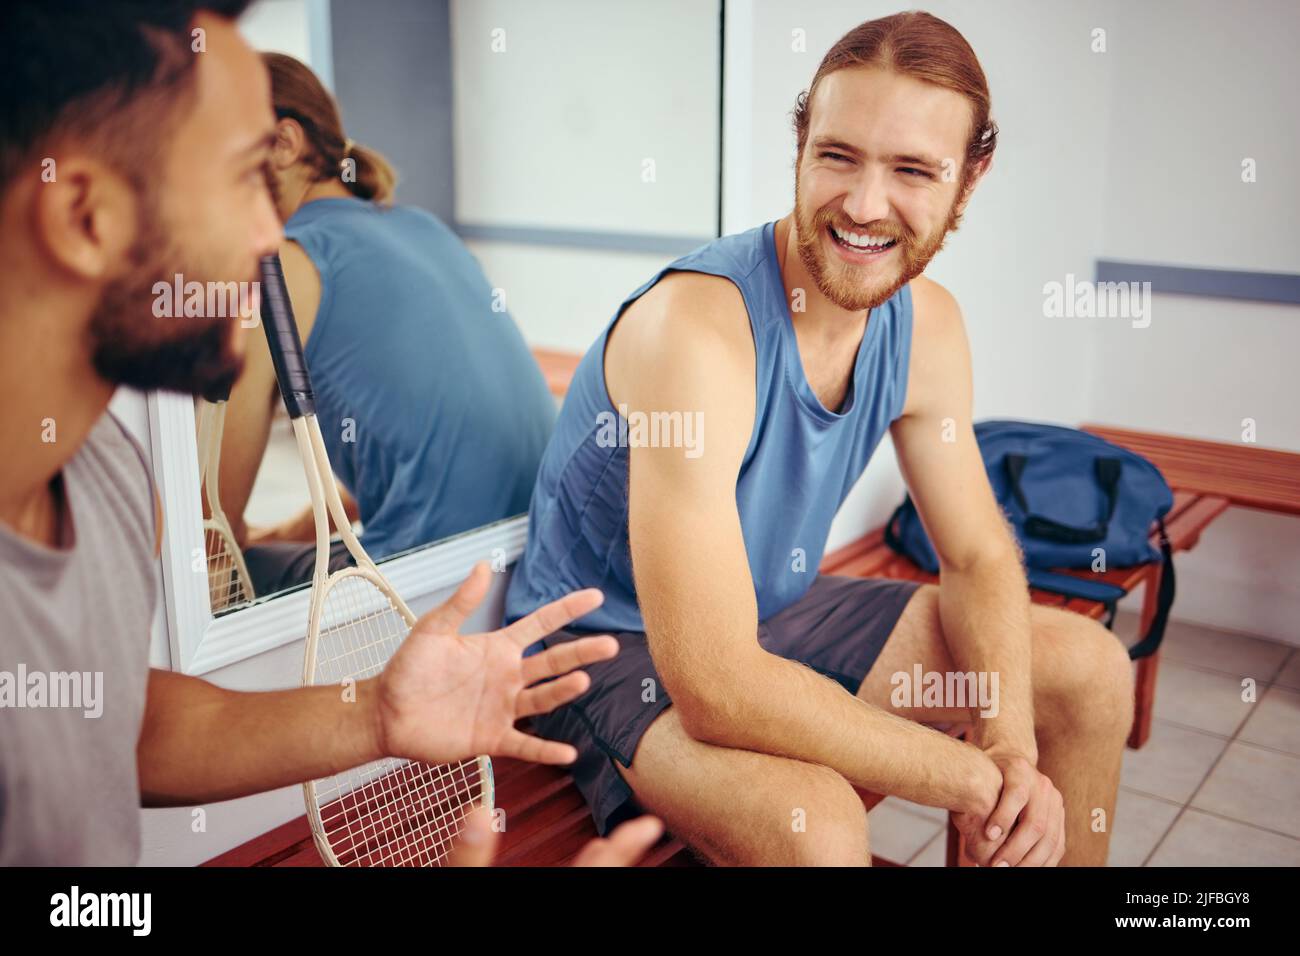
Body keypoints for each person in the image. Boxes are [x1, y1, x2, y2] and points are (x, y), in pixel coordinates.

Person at [0, 0, 658, 867]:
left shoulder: (110, 483)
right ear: (86, 216)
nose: (270, 237)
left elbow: (121, 723)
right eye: (237, 179)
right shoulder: (410, 230)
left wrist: (376, 715)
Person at [504, 11, 1135, 866]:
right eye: (838, 156)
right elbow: (716, 686)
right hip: (603, 650)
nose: (865, 205)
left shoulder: (929, 327)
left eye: (912, 169)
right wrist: (973, 777)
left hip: (765, 615)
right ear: (800, 147)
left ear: (970, 178)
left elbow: (977, 554)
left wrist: (1009, 746)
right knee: (819, 823)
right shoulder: (697, 330)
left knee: (1091, 671)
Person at [214, 52, 555, 596]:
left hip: (433, 587)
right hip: (537, 556)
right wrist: (287, 533)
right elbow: (422, 443)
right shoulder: (423, 228)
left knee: (203, 576)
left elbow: (214, 532)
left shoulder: (282, 268)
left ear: (284, 143)